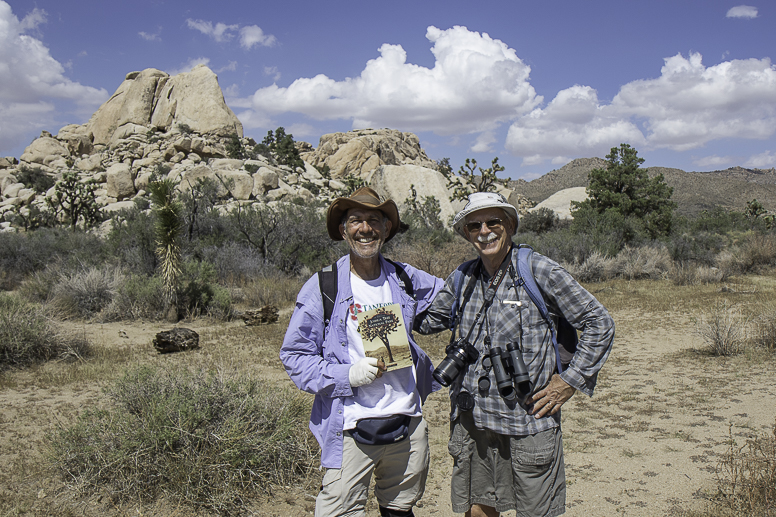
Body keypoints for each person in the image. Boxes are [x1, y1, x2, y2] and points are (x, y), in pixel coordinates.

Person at [417, 191, 615, 517]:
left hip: (528, 421)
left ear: (509, 224)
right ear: (466, 233)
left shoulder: (538, 271)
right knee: (477, 509)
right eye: (474, 225)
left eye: (493, 221)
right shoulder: (462, 278)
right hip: (473, 420)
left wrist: (570, 381)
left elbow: (599, 322)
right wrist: (389, 292)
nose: (484, 231)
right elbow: (428, 322)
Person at [280, 186, 444, 517]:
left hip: (407, 421)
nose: (365, 229)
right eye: (355, 220)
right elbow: (294, 356)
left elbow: (454, 295)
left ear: (385, 229)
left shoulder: (403, 277)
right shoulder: (324, 286)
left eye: (373, 220)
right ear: (343, 230)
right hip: (350, 428)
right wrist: (346, 375)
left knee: (400, 509)